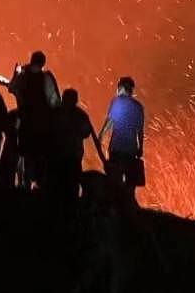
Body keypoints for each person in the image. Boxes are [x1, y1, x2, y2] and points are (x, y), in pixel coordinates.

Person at [8, 51, 61, 189]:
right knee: (41, 156)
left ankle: (24, 185)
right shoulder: (46, 78)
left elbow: (11, 88)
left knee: (25, 155)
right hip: (42, 125)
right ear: (43, 62)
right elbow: (55, 101)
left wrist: (16, 74)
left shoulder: (23, 76)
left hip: (25, 123)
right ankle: (40, 188)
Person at [98, 76, 145, 207]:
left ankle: (115, 209)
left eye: (118, 87)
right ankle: (129, 209)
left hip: (117, 149)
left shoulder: (117, 102)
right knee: (130, 187)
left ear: (122, 88)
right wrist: (141, 148)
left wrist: (100, 135)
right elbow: (140, 131)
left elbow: (110, 122)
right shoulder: (138, 107)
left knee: (114, 182)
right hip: (131, 151)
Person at [47, 88, 98, 198]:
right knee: (71, 186)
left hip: (58, 156)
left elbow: (48, 132)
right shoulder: (80, 115)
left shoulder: (55, 113)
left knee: (57, 186)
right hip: (72, 156)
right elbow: (86, 133)